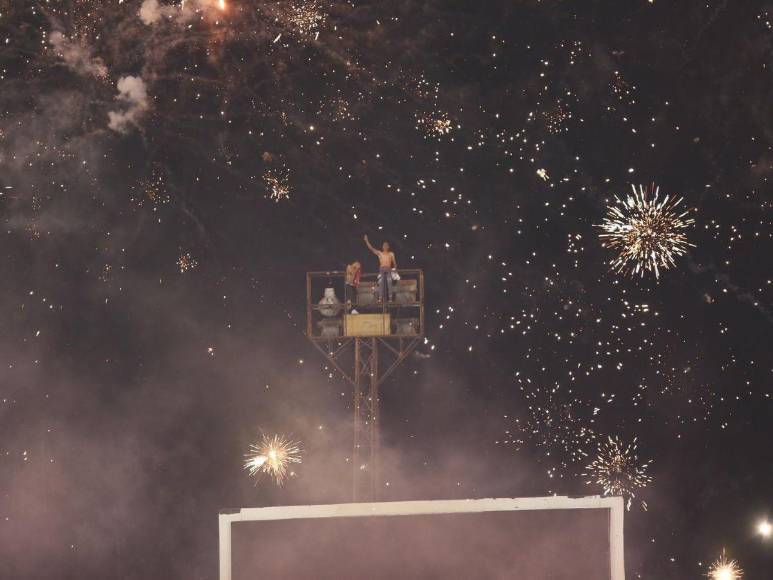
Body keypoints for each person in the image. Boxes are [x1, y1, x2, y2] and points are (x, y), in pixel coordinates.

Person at [363, 234, 397, 302]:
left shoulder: (391, 254)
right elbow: (371, 248)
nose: (385, 246)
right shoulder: (380, 253)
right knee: (381, 283)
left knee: (389, 282)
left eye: (386, 245)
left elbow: (394, 263)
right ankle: (380, 298)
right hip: (382, 269)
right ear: (382, 246)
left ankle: (390, 298)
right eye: (384, 245)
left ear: (388, 247)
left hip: (388, 269)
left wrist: (395, 269)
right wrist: (367, 241)